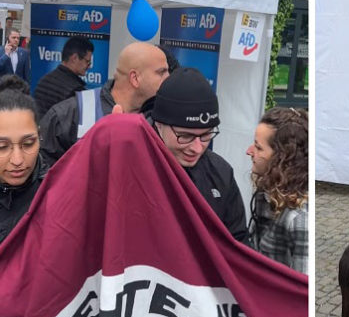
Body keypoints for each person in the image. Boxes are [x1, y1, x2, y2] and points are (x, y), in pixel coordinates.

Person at [149, 67, 248, 244]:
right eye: (185, 136)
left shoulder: (221, 172)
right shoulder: (133, 166)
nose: (197, 148)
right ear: (158, 124)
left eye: (206, 135)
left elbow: (238, 242)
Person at [39, 42, 169, 166]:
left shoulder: (161, 119)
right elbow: (44, 173)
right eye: (161, 72)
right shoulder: (68, 114)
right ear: (135, 78)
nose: (168, 78)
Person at [0, 89, 47, 257]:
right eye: (2, 147)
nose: (17, 160)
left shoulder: (55, 191)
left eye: (28, 144)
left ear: (39, 136)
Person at [246, 107, 308, 274]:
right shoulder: (265, 195)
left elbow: (302, 290)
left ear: (280, 158)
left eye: (258, 148)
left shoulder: (298, 219)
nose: (249, 151)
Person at [33, 36, 94, 119]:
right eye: (87, 62)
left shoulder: (43, 81)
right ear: (74, 58)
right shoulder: (76, 91)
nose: (89, 66)